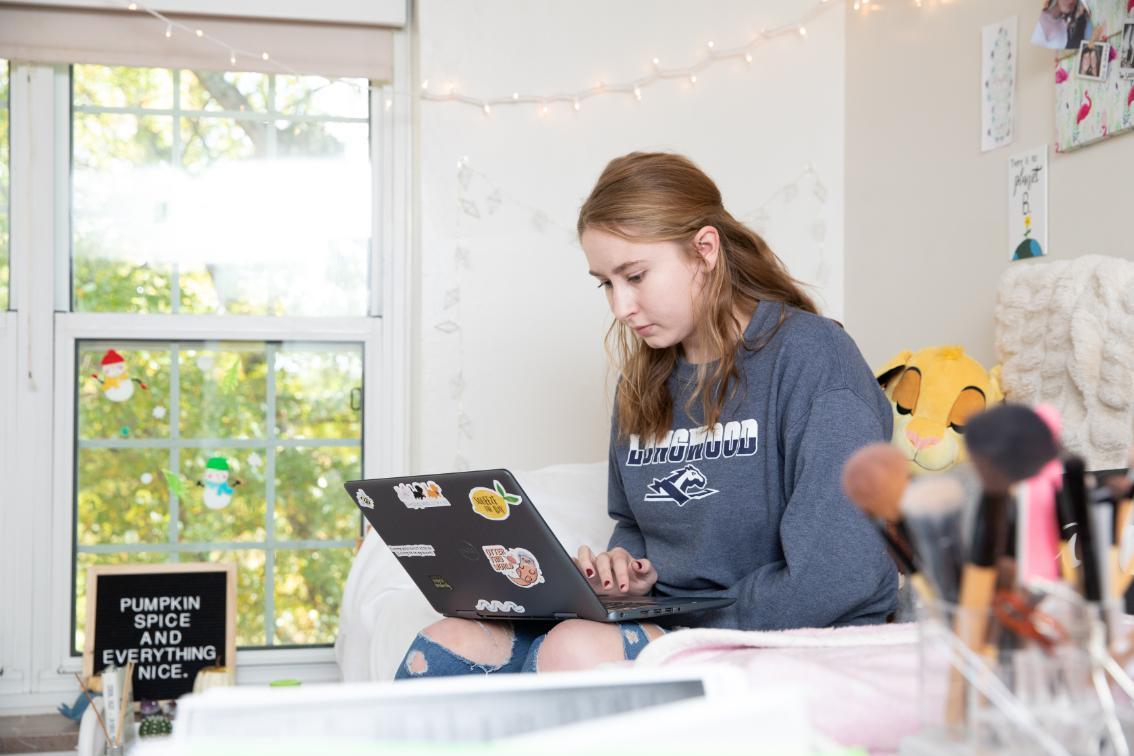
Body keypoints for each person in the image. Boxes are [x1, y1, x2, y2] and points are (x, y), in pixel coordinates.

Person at [393, 152, 898, 679]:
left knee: (576, 649)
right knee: (449, 640)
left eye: (634, 276)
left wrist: (684, 619)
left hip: (786, 631)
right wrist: (627, 574)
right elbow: (634, 521)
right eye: (606, 283)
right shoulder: (644, 380)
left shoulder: (814, 359)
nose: (620, 306)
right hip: (669, 623)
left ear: (705, 250)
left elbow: (841, 573)